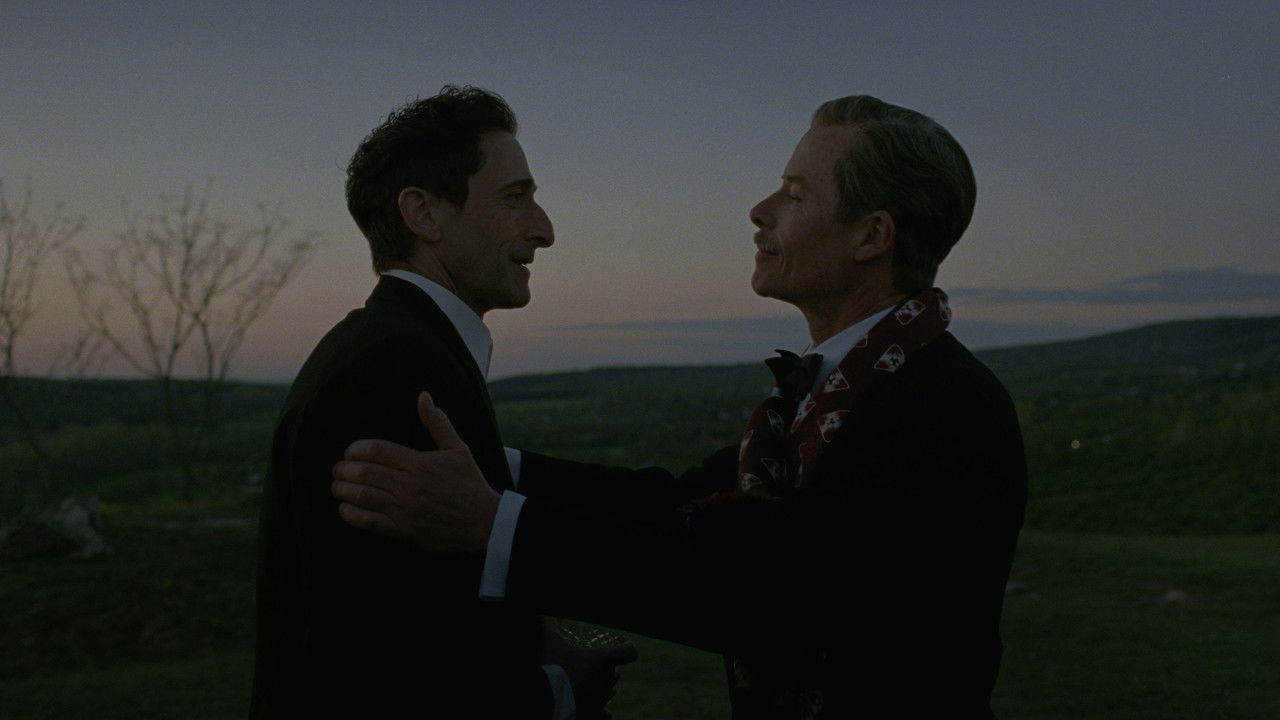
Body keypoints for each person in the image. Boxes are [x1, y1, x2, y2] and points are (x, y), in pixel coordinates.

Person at [330, 95, 1029, 718]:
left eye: (793, 194)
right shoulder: (841, 393)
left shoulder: (944, 409)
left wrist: (493, 526)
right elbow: (677, 505)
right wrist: (495, 466)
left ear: (871, 236)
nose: (760, 211)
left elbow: (765, 594)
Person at [252, 85, 634, 719]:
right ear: (425, 215)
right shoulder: (390, 372)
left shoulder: (400, 350)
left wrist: (523, 635)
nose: (544, 230)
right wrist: (561, 692)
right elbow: (377, 668)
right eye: (514, 197)